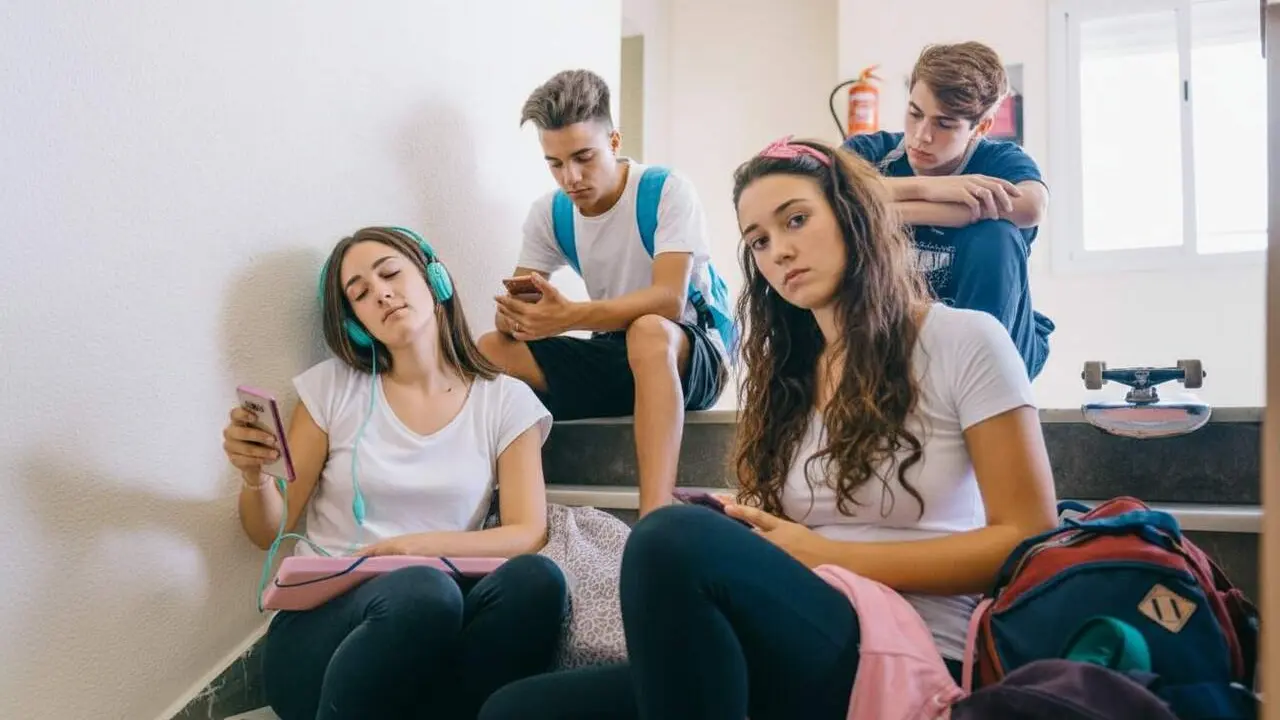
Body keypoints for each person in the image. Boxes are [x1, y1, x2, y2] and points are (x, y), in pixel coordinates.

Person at [477, 139, 1058, 719]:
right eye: (758, 240)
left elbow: (1025, 536)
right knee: (516, 710)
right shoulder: (790, 375)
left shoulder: (966, 339)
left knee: (666, 535)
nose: (779, 251)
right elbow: (796, 542)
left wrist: (824, 554)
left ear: (852, 215)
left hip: (906, 647)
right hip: (795, 625)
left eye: (796, 220)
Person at [222, 227, 567, 720]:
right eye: (360, 293)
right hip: (321, 636)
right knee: (423, 591)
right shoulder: (331, 389)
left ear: (434, 279)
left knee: (537, 580)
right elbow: (267, 531)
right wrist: (254, 478)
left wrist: (412, 548)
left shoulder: (505, 400)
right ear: (357, 323)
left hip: (437, 621)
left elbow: (527, 533)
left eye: (389, 274)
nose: (381, 293)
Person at [477, 69, 732, 516]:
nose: (570, 177)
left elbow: (669, 301)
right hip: (617, 354)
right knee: (490, 348)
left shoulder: (665, 190)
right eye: (555, 164)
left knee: (649, 331)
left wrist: (569, 316)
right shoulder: (551, 213)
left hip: (689, 354)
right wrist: (518, 318)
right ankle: (508, 505)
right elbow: (520, 304)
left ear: (614, 142)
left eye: (583, 157)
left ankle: (655, 516)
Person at [843, 41, 1055, 379]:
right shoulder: (872, 152)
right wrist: (928, 188)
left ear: (981, 128)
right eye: (915, 114)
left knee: (997, 233)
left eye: (944, 124)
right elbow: (825, 195)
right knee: (829, 225)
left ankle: (975, 385)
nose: (922, 136)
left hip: (999, 340)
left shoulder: (999, 161)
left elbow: (1031, 207)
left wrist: (884, 210)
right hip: (899, 338)